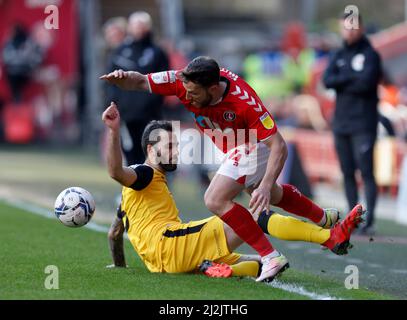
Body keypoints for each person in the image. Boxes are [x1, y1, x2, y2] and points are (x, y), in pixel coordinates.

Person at [101, 56, 361, 282]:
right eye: (186, 91)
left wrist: (267, 181)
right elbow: (141, 81)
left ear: (213, 89)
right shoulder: (183, 81)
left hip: (251, 144)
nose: (187, 97)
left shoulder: (244, 101)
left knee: (215, 198)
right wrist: (122, 78)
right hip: (234, 147)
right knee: (271, 200)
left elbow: (279, 145)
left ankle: (270, 256)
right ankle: (326, 226)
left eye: (194, 94)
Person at [323, 13, 382, 235]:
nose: (349, 31)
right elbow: (327, 80)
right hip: (341, 123)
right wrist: (350, 77)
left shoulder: (371, 55)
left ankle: (370, 220)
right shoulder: (337, 54)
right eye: (345, 28)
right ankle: (352, 216)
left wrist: (342, 79)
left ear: (361, 28)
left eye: (353, 27)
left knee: (366, 171)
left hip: (363, 123)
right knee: (347, 171)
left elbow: (366, 84)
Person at [106, 11, 169, 165]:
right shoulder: (120, 52)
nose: (138, 29)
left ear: (148, 27)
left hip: (150, 115)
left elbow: (164, 83)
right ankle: (132, 188)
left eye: (141, 25)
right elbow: (110, 82)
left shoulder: (157, 53)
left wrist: (149, 104)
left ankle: (156, 187)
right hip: (126, 115)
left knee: (154, 155)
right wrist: (113, 104)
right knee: (130, 155)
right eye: (135, 25)